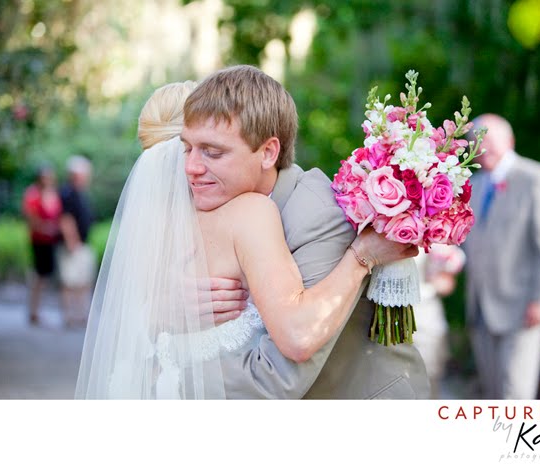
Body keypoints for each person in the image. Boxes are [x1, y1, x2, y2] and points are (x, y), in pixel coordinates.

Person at [75, 69, 429, 399]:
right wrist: (162, 315)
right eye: (186, 148)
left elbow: (278, 376)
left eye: (213, 152)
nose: (191, 168)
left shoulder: (319, 215)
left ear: (268, 152)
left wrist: (162, 380)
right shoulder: (199, 212)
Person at [463, 113, 540, 399]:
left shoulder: (536, 178)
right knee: (492, 394)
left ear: (510, 140)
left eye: (491, 141)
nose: (484, 149)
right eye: (477, 142)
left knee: (515, 397)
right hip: (480, 307)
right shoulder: (473, 185)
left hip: (523, 308)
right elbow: (465, 243)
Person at [413, 244, 465, 399]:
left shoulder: (434, 234)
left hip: (425, 316)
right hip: (388, 314)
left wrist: (441, 277)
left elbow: (447, 284)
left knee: (428, 379)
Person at [22, 165, 62, 325]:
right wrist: (45, 227)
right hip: (39, 240)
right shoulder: (33, 194)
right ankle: (33, 311)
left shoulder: (52, 193)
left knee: (44, 277)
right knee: (38, 276)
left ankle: (37, 310)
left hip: (50, 240)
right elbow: (30, 218)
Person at [58, 155, 95, 328]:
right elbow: (66, 219)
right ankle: (69, 316)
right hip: (74, 245)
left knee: (82, 281)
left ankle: (80, 314)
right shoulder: (67, 192)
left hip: (82, 243)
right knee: (70, 282)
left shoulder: (79, 192)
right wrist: (72, 242)